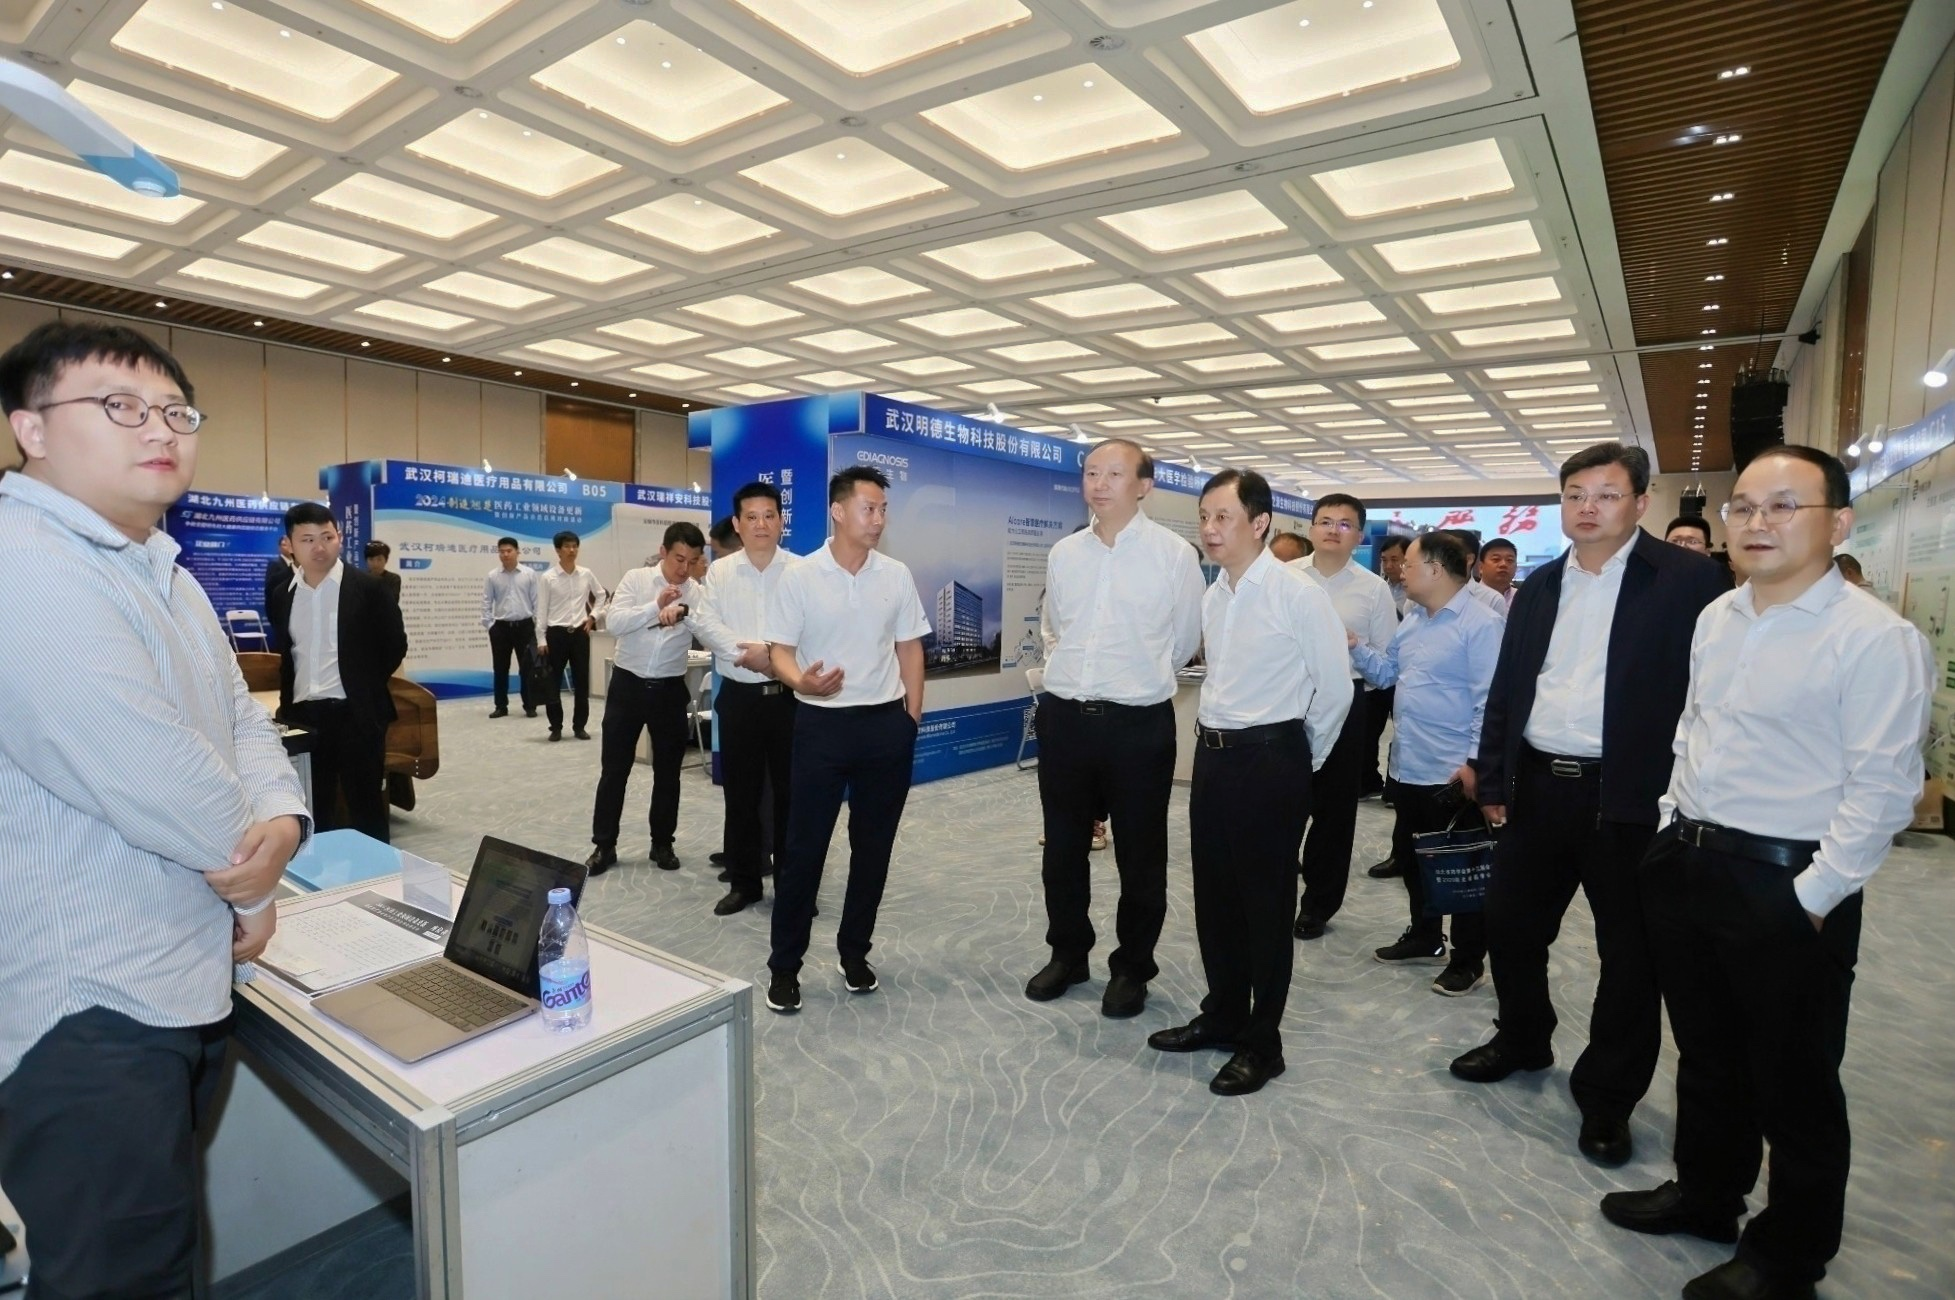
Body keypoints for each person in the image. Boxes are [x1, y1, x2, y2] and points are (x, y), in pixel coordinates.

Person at [0, 321, 310, 1298]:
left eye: (177, 412)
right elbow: (151, 766)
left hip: (182, 969)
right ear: (30, 429)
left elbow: (241, 719)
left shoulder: (161, 570)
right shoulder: (24, 561)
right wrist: (255, 886)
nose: (159, 430)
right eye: (120, 406)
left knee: (156, 1248)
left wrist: (284, 823)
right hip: (90, 1001)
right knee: (116, 1273)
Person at [1601, 446, 1932, 1300]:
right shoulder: (1719, 616)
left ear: (1837, 522)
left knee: (1794, 1082)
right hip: (1688, 861)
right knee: (1706, 1054)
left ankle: (1787, 1257)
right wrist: (1670, 825)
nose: (1756, 523)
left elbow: (1882, 788)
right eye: (1742, 506)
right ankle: (1707, 1195)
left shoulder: (1874, 638)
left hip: (1787, 881)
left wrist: (1814, 897)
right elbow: (1693, 729)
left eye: (1783, 506)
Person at [1451, 442, 1727, 1168]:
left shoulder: (1689, 581)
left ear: (1640, 501)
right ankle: (1522, 1037)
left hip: (1632, 797)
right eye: (1574, 494)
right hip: (1540, 787)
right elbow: (1510, 688)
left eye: (1605, 494)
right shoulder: (1541, 584)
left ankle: (1607, 1096)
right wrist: (1494, 779)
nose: (1587, 507)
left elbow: (1715, 693)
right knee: (1510, 926)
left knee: (1629, 957)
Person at [1148, 471, 1349, 1096]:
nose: (1210, 529)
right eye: (1204, 517)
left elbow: (1334, 690)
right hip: (1213, 759)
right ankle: (1224, 1015)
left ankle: (1264, 1044)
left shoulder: (1297, 593)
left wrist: (1298, 761)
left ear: (1259, 523)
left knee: (1265, 907)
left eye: (1223, 517)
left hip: (1270, 760)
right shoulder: (1216, 595)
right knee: (1215, 899)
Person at [1025, 439, 1204, 1017]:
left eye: (1114, 474)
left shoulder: (1173, 555)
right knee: (1063, 849)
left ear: (1144, 485)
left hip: (1137, 724)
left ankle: (1132, 968)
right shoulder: (1065, 552)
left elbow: (1183, 639)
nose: (1099, 483)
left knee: (1141, 855)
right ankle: (1068, 954)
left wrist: (1136, 678)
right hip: (1066, 719)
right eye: (1091, 472)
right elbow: (1055, 627)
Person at [761, 466, 929, 1014]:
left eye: (883, 510)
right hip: (821, 726)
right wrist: (800, 682)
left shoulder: (895, 575)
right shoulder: (800, 576)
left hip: (885, 727)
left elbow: (909, 648)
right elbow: (780, 650)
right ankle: (784, 967)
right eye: (868, 508)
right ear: (838, 511)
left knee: (873, 849)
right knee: (803, 851)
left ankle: (854, 952)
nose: (878, 519)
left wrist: (910, 717)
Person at [1349, 532, 1503, 995]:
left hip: (1453, 773)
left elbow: (1491, 702)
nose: (1401, 571)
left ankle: (1468, 960)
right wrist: (1355, 645)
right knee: (1416, 861)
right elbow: (1386, 674)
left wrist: (1476, 763)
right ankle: (1425, 936)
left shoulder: (1481, 624)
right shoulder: (1414, 620)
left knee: (1464, 868)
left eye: (1409, 564)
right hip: (1408, 765)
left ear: (1436, 570)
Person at [1288, 493, 1396, 938]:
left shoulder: (1373, 589)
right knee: (1283, 804)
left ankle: (1318, 905)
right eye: (1325, 521)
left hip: (1348, 701)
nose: (1334, 530)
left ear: (1360, 535)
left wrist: (1355, 645)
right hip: (1289, 700)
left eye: (1345, 524)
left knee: (1334, 812)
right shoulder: (1285, 576)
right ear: (1311, 528)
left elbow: (1387, 666)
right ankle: (1273, 896)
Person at [269, 501, 409, 843]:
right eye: (307, 539)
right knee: (313, 810)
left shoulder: (370, 589)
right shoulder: (281, 594)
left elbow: (394, 645)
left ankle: (378, 872)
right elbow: (287, 654)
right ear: (290, 544)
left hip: (356, 715)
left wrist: (363, 685)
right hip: (304, 719)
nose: (319, 547)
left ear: (340, 537)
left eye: (327, 537)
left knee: (367, 808)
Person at [691, 483, 800, 915]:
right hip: (738, 699)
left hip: (790, 700)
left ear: (781, 520)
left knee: (793, 797)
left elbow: (812, 628)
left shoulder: (801, 570)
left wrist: (770, 656)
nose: (761, 524)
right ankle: (745, 883)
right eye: (751, 517)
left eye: (769, 515)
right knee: (741, 795)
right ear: (737, 524)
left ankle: (792, 885)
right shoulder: (720, 572)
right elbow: (706, 623)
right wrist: (748, 654)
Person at [586, 522, 704, 875]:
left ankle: (662, 843)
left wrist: (685, 612)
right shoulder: (636, 580)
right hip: (628, 686)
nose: (684, 569)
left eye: (693, 561)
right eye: (679, 559)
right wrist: (656, 606)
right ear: (663, 551)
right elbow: (615, 623)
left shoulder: (696, 593)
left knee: (668, 773)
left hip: (669, 689)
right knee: (614, 770)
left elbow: (707, 626)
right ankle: (604, 845)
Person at [537, 529, 606, 741]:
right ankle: (556, 727)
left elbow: (601, 595)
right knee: (553, 682)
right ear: (558, 550)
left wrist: (593, 617)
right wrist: (541, 638)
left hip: (579, 633)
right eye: (567, 546)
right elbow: (541, 609)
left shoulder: (586, 573)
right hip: (556, 634)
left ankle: (579, 726)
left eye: (575, 546)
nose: (572, 550)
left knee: (582, 681)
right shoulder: (548, 577)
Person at [481, 535, 540, 719]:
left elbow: (537, 602)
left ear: (517, 552)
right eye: (502, 551)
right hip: (501, 628)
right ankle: (501, 706)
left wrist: (538, 628)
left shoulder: (529, 574)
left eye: (509, 551)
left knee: (527, 668)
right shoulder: (492, 576)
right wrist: (490, 626)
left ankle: (530, 705)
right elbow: (486, 602)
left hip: (525, 627)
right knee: (500, 668)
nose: (505, 554)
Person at [1477, 537, 1518, 608]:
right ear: (1481, 567)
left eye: (1509, 560)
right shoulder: (1469, 596)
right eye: (1496, 559)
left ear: (1516, 567)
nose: (1503, 564)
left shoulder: (1523, 597)